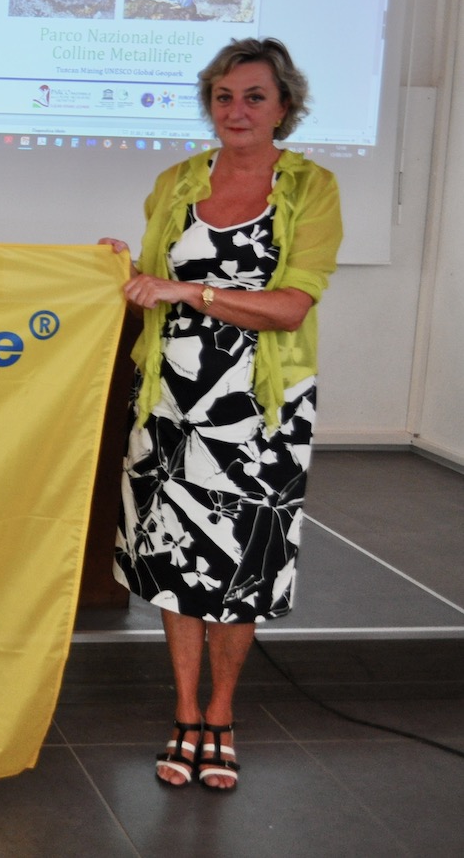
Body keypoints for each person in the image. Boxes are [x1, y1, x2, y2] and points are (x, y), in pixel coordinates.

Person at [98, 38, 341, 792]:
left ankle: (222, 714)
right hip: (168, 401)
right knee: (175, 561)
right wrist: (119, 269)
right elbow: (152, 282)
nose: (236, 110)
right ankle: (183, 710)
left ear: (284, 106)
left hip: (258, 411)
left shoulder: (311, 186)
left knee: (242, 567)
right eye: (223, 96)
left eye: (254, 97)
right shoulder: (176, 181)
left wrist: (189, 292)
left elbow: (292, 305)